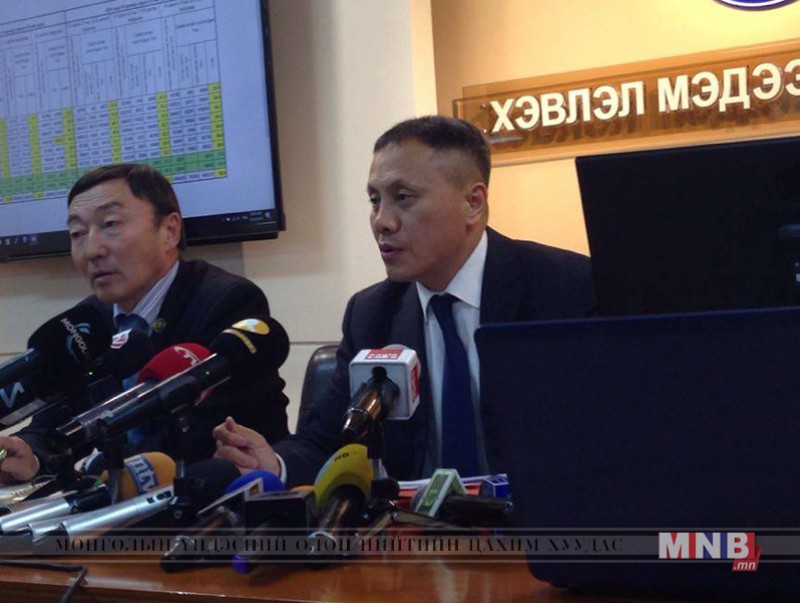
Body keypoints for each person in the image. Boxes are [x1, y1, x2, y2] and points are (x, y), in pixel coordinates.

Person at [213, 115, 596, 486]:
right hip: (417, 526)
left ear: (473, 203)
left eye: (403, 198)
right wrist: (274, 463)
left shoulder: (566, 289)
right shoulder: (371, 314)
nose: (382, 221)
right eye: (374, 200)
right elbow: (326, 441)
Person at [0, 164, 289, 483]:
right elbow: (55, 422)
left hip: (226, 495)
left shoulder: (226, 302)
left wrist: (93, 470)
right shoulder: (88, 322)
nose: (91, 250)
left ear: (170, 231)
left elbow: (195, 438)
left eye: (110, 224)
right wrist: (31, 454)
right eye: (77, 234)